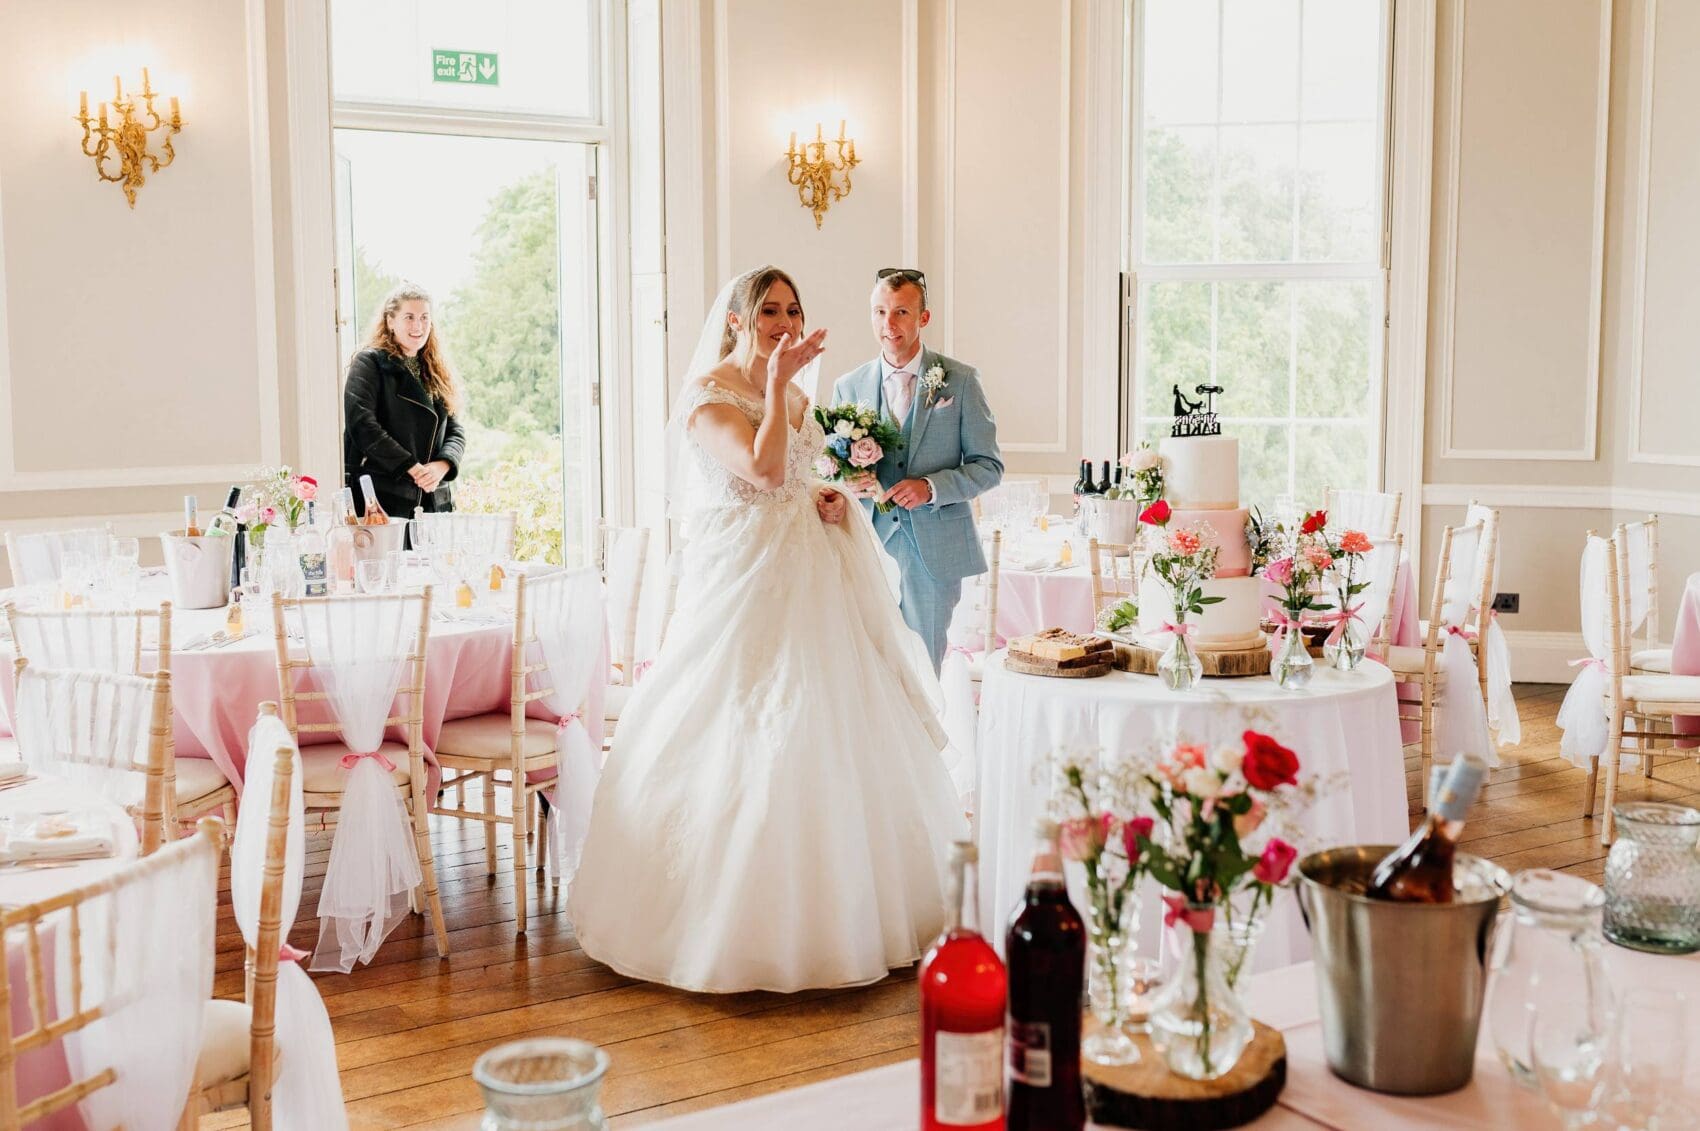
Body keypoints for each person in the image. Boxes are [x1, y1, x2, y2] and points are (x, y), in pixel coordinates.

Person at [567, 266, 968, 994]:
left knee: (828, 728)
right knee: (735, 725)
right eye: (768, 311)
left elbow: (803, 475)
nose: (782, 322)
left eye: (791, 309)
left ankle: (848, 912)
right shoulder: (708, 398)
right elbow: (761, 468)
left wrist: (831, 499)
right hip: (742, 586)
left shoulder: (794, 392)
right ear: (736, 321)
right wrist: (781, 385)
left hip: (809, 581)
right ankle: (722, 926)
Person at [832, 268, 1003, 671]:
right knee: (867, 663)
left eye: (901, 313)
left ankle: (924, 735)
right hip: (865, 545)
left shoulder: (960, 381)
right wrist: (847, 480)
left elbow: (989, 467)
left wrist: (930, 487)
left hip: (934, 548)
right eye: (879, 312)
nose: (888, 325)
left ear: (923, 318)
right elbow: (829, 467)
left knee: (923, 665)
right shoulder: (848, 385)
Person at [342, 283, 467, 520]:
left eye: (424, 318)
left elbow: (455, 429)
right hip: (383, 498)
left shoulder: (433, 369)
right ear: (390, 320)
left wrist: (442, 465)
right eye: (409, 317)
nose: (418, 326)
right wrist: (412, 467)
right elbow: (362, 424)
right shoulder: (370, 362)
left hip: (433, 500)